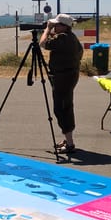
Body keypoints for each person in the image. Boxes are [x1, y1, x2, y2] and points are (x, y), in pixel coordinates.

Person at [39, 13, 84, 154]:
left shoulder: (63, 39)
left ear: (63, 26)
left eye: (56, 24)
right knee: (65, 106)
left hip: (63, 78)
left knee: (61, 109)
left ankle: (70, 144)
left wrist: (46, 29)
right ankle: (67, 139)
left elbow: (42, 43)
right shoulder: (71, 37)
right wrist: (52, 30)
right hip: (69, 76)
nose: (53, 26)